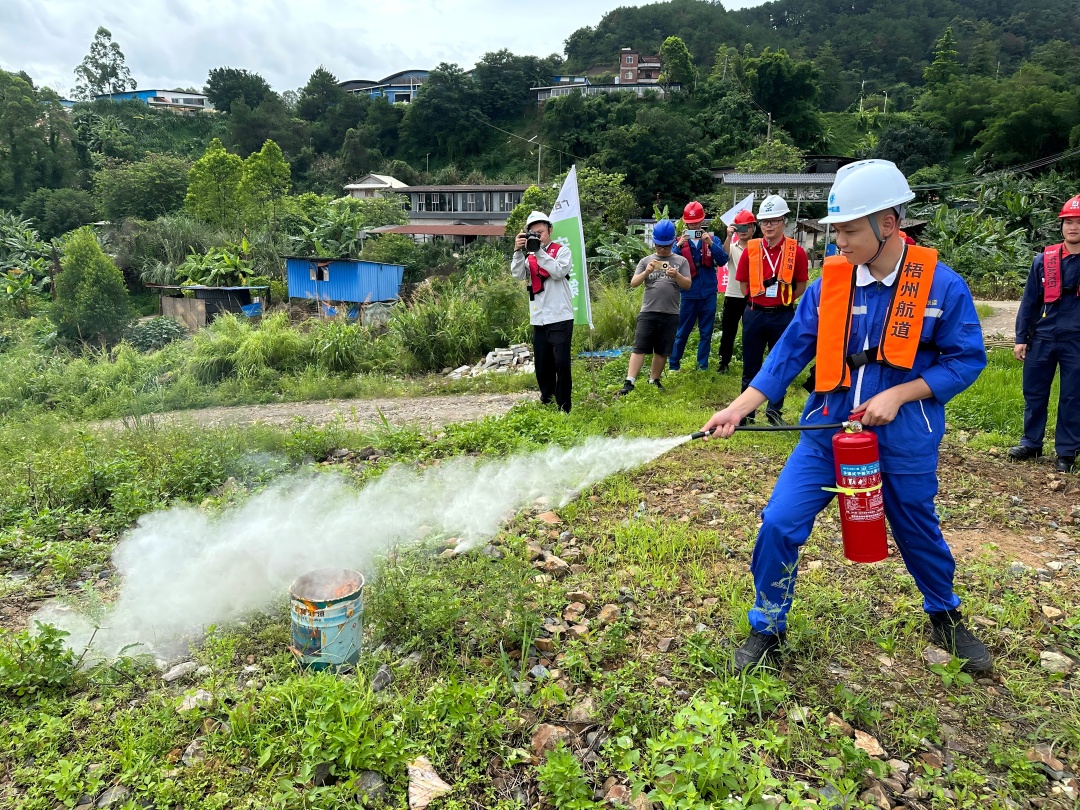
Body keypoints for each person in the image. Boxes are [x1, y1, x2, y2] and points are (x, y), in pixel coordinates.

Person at [701, 159, 992, 674]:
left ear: (889, 224)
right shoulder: (828, 286)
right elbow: (787, 356)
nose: (839, 242)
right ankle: (767, 625)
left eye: (849, 230)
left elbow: (967, 359)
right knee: (779, 522)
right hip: (826, 431)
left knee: (916, 527)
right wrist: (737, 408)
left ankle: (945, 615)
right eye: (835, 229)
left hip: (903, 435)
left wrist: (901, 394)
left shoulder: (942, 287)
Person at [1009, 193, 1080, 473]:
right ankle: (1031, 442)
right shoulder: (1044, 260)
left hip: (1076, 339)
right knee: (1034, 392)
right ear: (1061, 226)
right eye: (1068, 222)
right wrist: (1020, 338)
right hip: (1043, 337)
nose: (1073, 227)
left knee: (1074, 396)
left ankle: (1067, 451)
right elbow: (1029, 302)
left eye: (1079, 222)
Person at [734, 195, 808, 425]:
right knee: (751, 364)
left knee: (780, 363)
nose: (768, 226)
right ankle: (746, 414)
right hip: (754, 313)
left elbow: (801, 286)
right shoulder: (752, 249)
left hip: (782, 315)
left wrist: (781, 302)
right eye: (764, 221)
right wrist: (759, 301)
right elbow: (743, 284)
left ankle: (774, 412)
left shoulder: (797, 252)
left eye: (773, 221)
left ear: (783, 221)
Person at [618, 219, 691, 396]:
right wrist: (646, 272)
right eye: (659, 246)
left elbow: (687, 285)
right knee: (640, 346)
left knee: (663, 349)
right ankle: (630, 381)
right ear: (654, 243)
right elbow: (634, 283)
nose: (662, 250)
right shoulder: (645, 261)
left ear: (673, 242)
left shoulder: (680, 261)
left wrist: (676, 275)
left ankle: (654, 379)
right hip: (648, 311)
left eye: (666, 246)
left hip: (670, 312)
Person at [511, 210, 574, 412]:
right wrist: (517, 251)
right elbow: (517, 274)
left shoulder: (562, 251)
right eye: (533, 234)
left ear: (550, 230)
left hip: (560, 316)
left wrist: (538, 250)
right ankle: (547, 401)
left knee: (561, 364)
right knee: (542, 366)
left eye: (541, 233)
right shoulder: (527, 257)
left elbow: (558, 271)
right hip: (539, 317)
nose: (538, 237)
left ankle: (564, 406)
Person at [668, 201, 729, 372]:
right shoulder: (678, 242)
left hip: (708, 293)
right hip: (688, 293)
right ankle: (673, 365)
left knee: (706, 333)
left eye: (697, 222)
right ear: (685, 223)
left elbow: (723, 260)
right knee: (682, 332)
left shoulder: (712, 239)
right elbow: (669, 261)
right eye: (691, 223)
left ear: (703, 221)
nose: (694, 225)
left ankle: (702, 366)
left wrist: (710, 243)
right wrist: (679, 246)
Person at [717, 209, 756, 373]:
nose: (742, 231)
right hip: (733, 295)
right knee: (728, 332)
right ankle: (723, 363)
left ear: (753, 227)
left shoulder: (758, 246)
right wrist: (728, 236)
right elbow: (723, 257)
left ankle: (752, 363)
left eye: (746, 227)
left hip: (753, 295)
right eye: (739, 227)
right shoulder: (731, 246)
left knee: (753, 332)